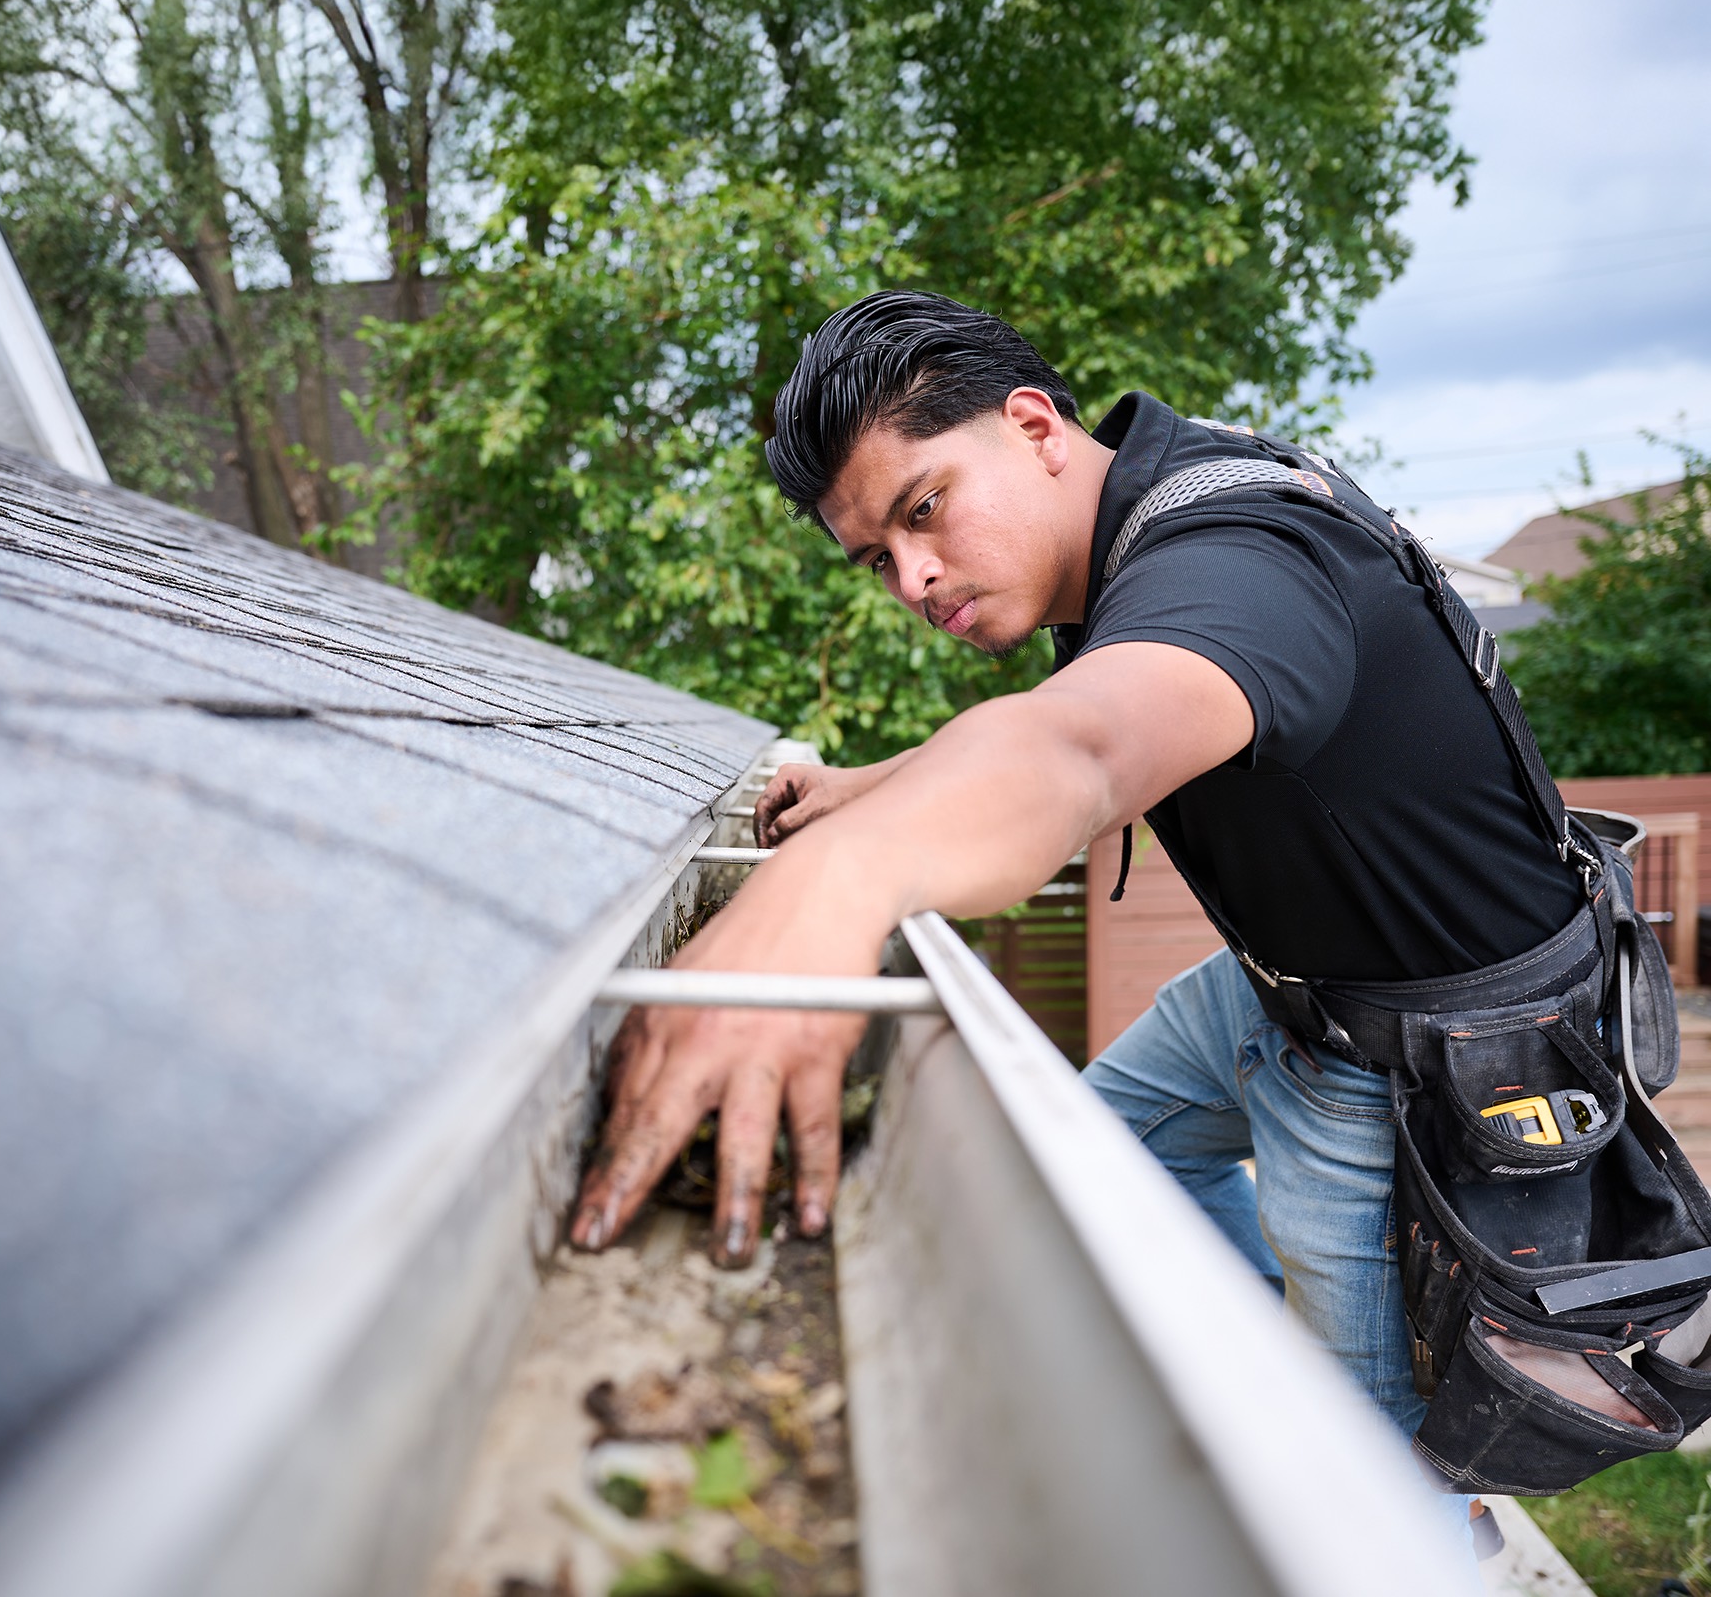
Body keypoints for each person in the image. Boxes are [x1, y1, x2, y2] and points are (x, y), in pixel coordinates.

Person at [564, 289, 1599, 1480]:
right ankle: (1251, 1360)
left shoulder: (1241, 559)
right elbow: (1079, 705)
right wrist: (879, 784)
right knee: (1085, 1163)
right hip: (1284, 980)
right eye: (878, 558)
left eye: (924, 508)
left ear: (1035, 426)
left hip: (1418, 1061)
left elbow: (1081, 750)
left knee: (1358, 1504)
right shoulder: (1142, 520)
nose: (912, 577)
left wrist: (828, 889)